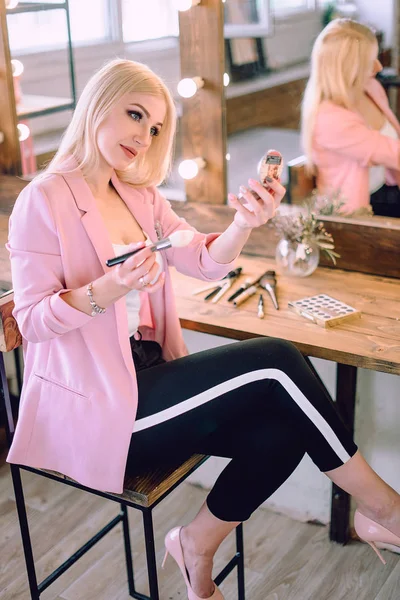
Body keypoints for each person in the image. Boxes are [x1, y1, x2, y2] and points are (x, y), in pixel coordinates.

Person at [7, 59, 400, 600]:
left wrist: (243, 223)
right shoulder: (43, 198)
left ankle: (196, 543)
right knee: (277, 359)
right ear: (100, 103)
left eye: (154, 129)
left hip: (147, 376)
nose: (144, 137)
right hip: (96, 407)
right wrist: (110, 288)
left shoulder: (138, 196)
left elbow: (200, 258)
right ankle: (386, 509)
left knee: (286, 425)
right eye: (135, 115)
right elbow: (30, 320)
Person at [301, 18, 400, 217]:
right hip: (356, 213)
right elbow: (393, 152)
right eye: (369, 61)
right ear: (348, 68)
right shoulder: (329, 119)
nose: (379, 67)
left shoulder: (371, 88)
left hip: (388, 189)